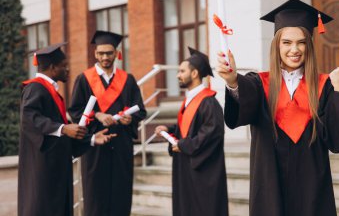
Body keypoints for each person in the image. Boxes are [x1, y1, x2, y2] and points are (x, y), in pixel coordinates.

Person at [217, 0, 339, 216]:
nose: (295, 49)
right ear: (276, 45)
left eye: (302, 42)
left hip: (312, 192)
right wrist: (232, 81)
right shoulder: (259, 84)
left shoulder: (325, 87)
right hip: (269, 189)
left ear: (309, 45)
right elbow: (240, 108)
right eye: (287, 42)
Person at [18, 43, 115, 216]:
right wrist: (63, 128)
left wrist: (91, 139)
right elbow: (29, 119)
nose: (68, 70)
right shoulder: (35, 88)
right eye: (64, 66)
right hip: (43, 169)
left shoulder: (50, 90)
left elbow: (59, 133)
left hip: (55, 168)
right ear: (53, 68)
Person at [68, 31, 147, 216]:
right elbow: (75, 111)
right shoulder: (84, 79)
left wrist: (130, 119)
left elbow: (141, 110)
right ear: (95, 54)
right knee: (96, 196)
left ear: (117, 53)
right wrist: (97, 115)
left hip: (121, 146)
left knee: (121, 195)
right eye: (101, 53)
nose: (105, 57)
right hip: (94, 146)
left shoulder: (127, 80)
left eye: (109, 53)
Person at [154, 47, 228, 216]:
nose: (178, 75)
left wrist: (185, 144)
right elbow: (189, 126)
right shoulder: (191, 99)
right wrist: (169, 129)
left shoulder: (208, 102)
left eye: (182, 71)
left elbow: (212, 133)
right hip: (187, 167)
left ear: (194, 74)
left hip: (204, 172)